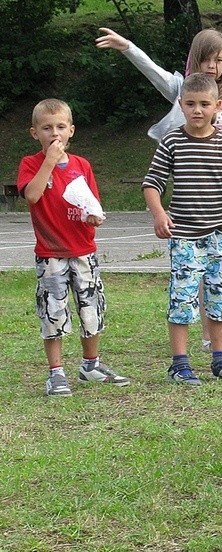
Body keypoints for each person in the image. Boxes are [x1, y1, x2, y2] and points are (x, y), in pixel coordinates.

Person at [96, 26, 222, 355]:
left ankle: (218, 330)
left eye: (219, 60)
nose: (213, 66)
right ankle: (208, 335)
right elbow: (151, 69)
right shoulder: (181, 87)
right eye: (205, 59)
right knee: (196, 265)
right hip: (198, 191)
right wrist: (127, 45)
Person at [141, 73, 222, 386]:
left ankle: (221, 360)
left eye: (204, 104)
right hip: (184, 236)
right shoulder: (172, 142)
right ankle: (179, 364)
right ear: (181, 105)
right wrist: (158, 214)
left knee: (219, 297)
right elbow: (152, 183)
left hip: (220, 235)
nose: (197, 110)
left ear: (218, 106)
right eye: (190, 104)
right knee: (181, 299)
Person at [17, 98, 130, 397]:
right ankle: (55, 372)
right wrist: (49, 162)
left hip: (83, 250)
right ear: (34, 133)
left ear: (71, 131)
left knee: (91, 309)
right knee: (53, 313)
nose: (54, 133)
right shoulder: (31, 164)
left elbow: (90, 203)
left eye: (60, 127)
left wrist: (94, 216)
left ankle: (90, 365)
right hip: (51, 253)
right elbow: (32, 195)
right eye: (46, 128)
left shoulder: (82, 165)